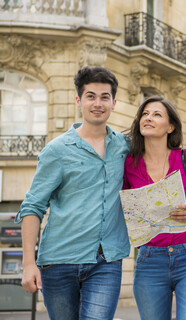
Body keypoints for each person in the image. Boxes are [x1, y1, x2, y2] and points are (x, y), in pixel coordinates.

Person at [15, 66, 131, 319]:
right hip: (58, 262)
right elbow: (33, 206)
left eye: (104, 97)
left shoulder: (125, 147)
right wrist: (28, 264)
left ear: (113, 102)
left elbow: (157, 175)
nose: (97, 103)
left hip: (106, 260)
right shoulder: (57, 150)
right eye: (91, 96)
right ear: (79, 100)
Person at [123, 95, 186, 320]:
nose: (148, 118)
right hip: (149, 260)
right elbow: (124, 208)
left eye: (156, 114)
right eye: (144, 114)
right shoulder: (128, 164)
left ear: (170, 127)